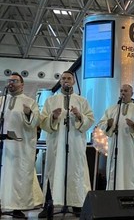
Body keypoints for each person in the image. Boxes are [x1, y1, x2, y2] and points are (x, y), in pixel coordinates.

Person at [39, 71, 94, 217]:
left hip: (75, 143)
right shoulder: (50, 101)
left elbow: (90, 120)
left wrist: (78, 115)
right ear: (60, 81)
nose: (66, 81)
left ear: (74, 81)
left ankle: (77, 204)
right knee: (53, 171)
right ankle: (49, 204)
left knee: (75, 171)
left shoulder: (82, 101)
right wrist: (53, 116)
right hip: (56, 143)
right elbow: (43, 122)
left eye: (69, 78)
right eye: (63, 78)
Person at [0, 73, 43, 218]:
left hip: (21, 147)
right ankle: (2, 204)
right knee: (3, 176)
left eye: (15, 81)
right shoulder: (2, 100)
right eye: (10, 80)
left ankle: (18, 208)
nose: (11, 83)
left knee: (18, 178)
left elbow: (36, 121)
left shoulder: (30, 102)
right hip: (4, 146)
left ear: (22, 84)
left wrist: (29, 113)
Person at [97, 84, 134, 190]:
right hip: (115, 147)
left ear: (132, 94)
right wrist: (108, 124)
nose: (123, 93)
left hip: (132, 148)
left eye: (126, 91)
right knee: (115, 170)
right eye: (121, 91)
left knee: (133, 171)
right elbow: (101, 124)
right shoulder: (112, 110)